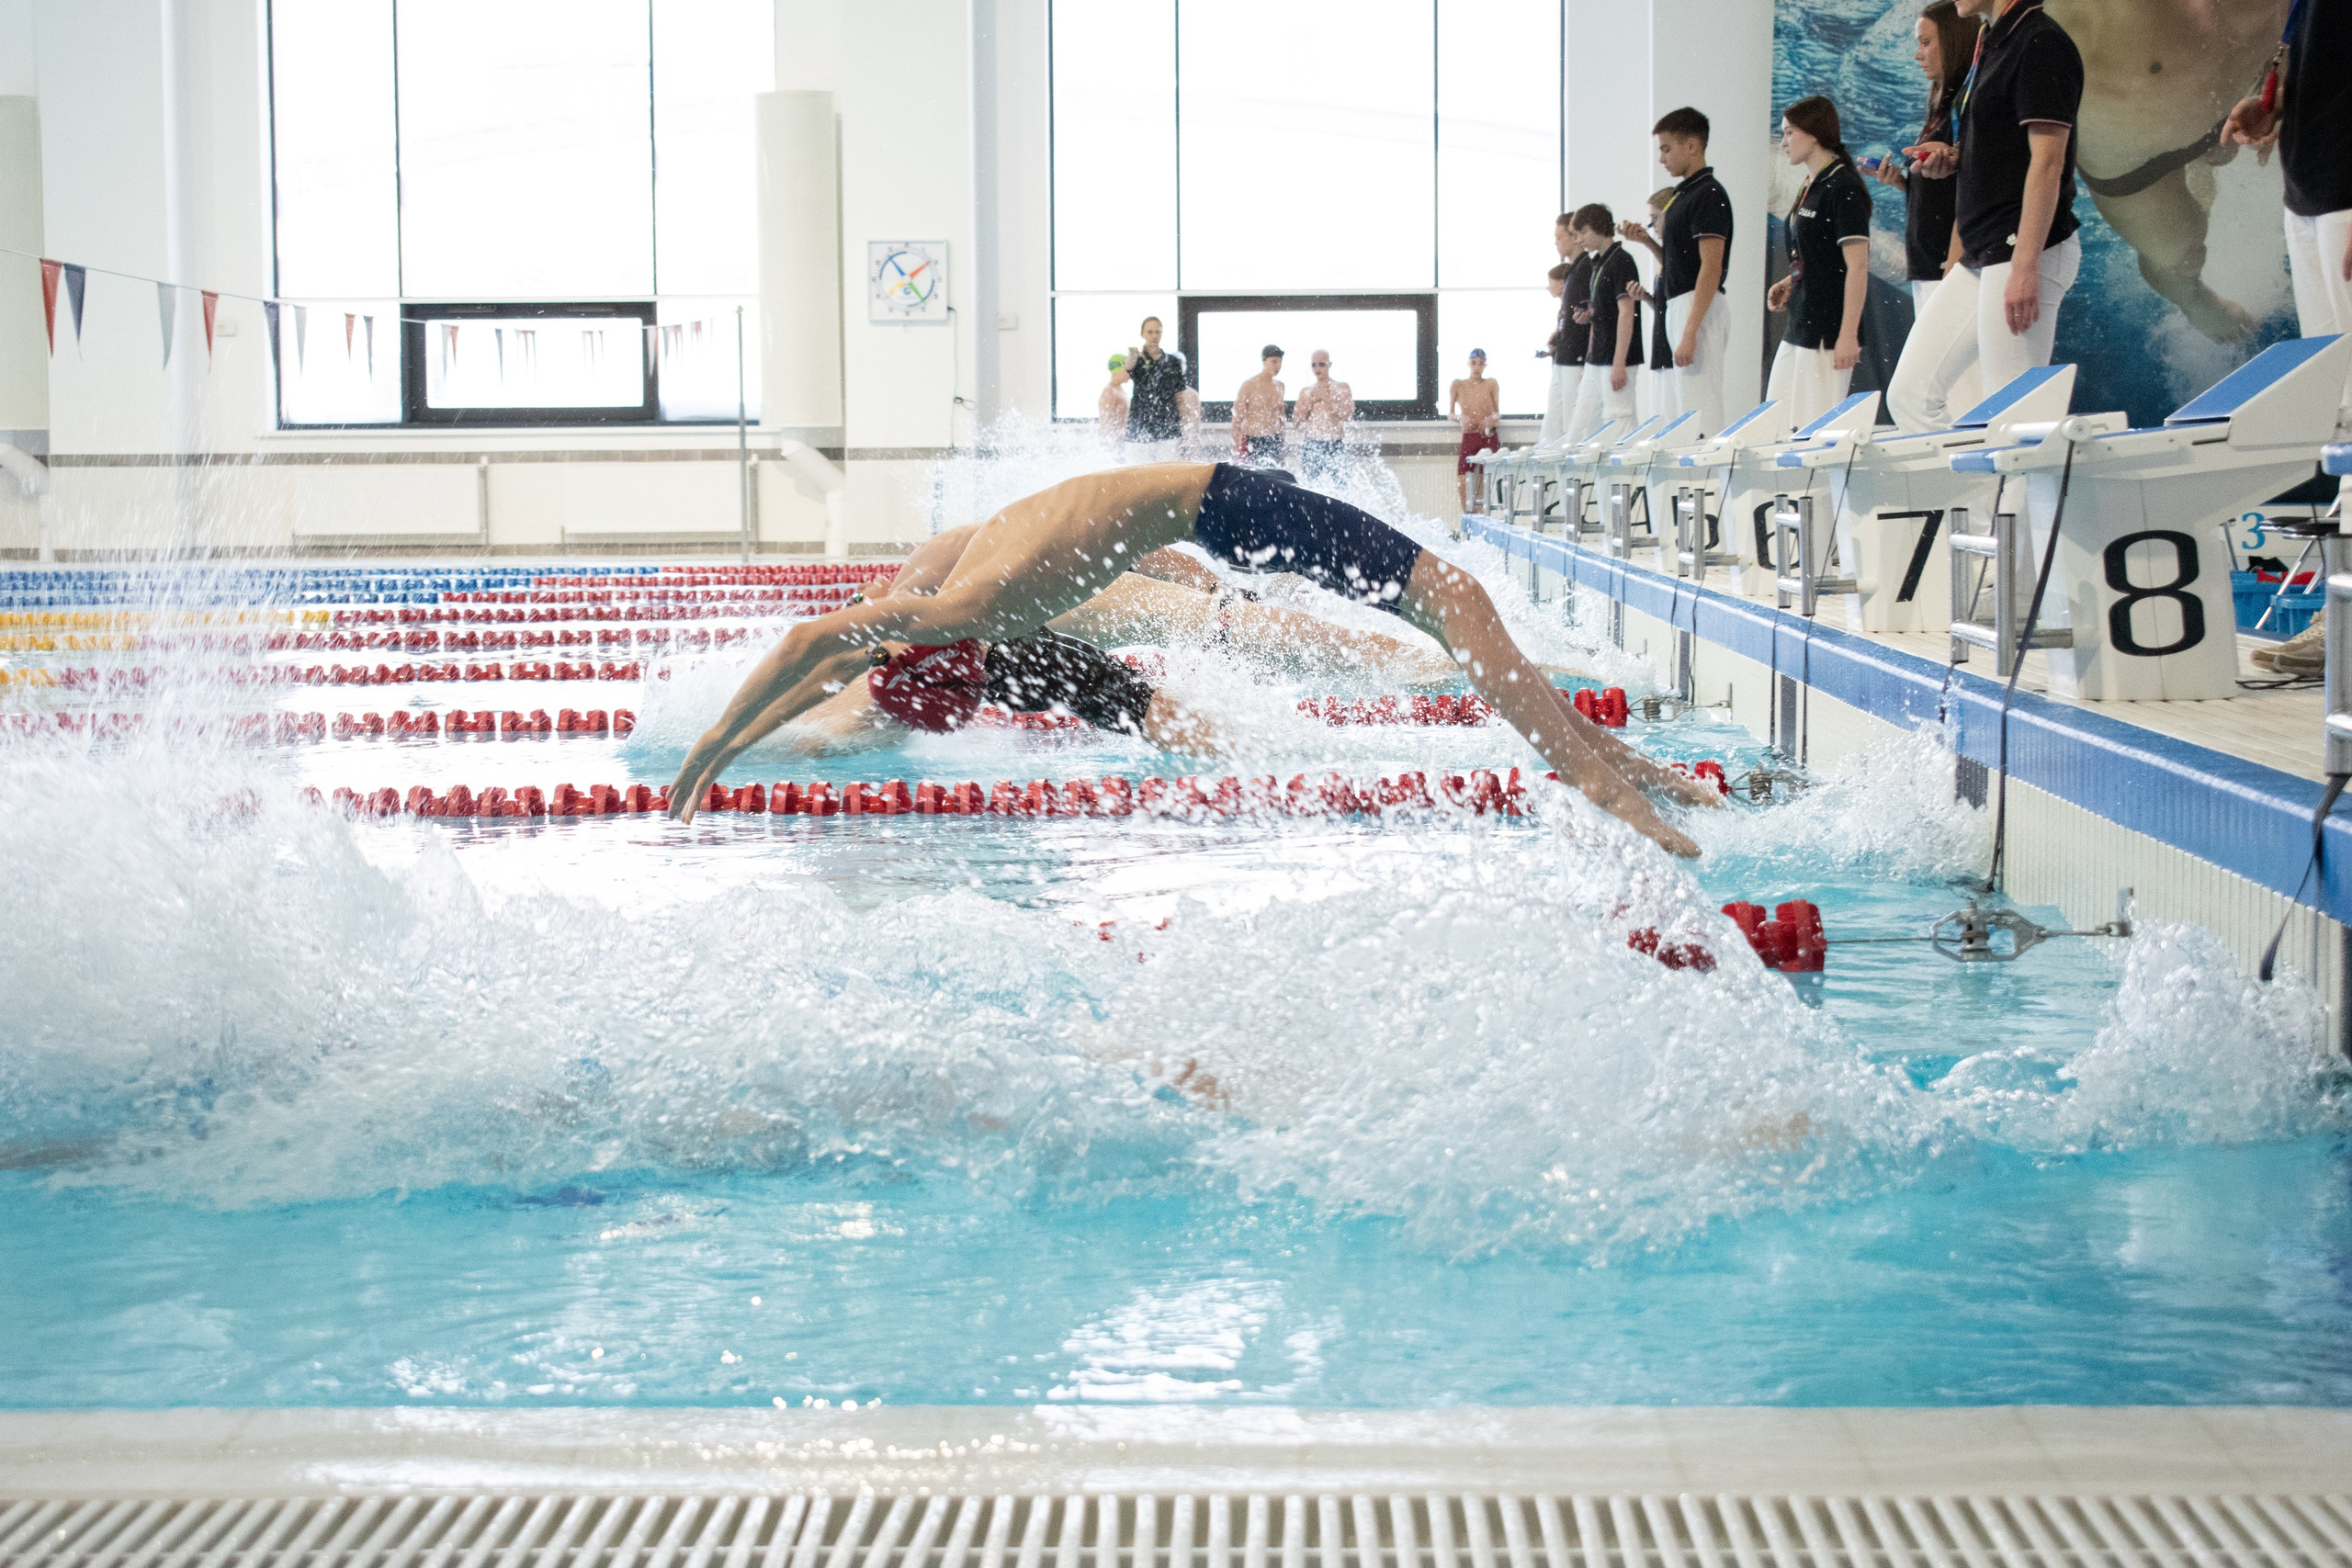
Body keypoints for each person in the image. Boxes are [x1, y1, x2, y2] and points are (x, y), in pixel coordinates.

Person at [668, 464, 1722, 855]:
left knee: (1457, 603)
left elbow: (816, 644)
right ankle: (1611, 764)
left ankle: (1593, 766)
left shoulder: (972, 598)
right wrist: (727, 741)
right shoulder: (962, 596)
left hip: (1221, 501)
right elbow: (824, 658)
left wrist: (712, 747)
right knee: (1455, 606)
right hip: (1209, 514)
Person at [1886, 0, 2086, 435]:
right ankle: (1976, 504)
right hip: (1982, 253)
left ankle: (2016, 504)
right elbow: (2006, 150)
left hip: (2022, 249)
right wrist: (1954, 160)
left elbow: (2049, 163)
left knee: (2017, 425)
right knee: (1910, 394)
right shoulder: (1991, 42)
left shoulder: (2040, 43)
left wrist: (2026, 266)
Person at [2225, 0, 2349, 675]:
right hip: (2310, 198)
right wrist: (2274, 107)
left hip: (2343, 206)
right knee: (2340, 421)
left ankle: (2346, 625)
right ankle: (2343, 617)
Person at [2054, 0, 2288, 344]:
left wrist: (2283, 85)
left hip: (2237, 97)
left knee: (2220, 159)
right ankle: (2192, 298)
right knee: (2179, 256)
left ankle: (2205, 162)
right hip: (2129, 156)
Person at [1765, 96, 1873, 429]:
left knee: (1815, 430)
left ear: (1813, 134)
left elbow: (1857, 266)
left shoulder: (1843, 188)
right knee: (1778, 422)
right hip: (1801, 321)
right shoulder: (1810, 184)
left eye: (1789, 133)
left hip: (1827, 331)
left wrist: (1847, 335)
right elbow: (1816, 254)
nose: (1783, 143)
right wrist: (1787, 283)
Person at [1650, 108, 1735, 438]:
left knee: (1701, 410)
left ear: (1692, 145)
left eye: (1666, 148)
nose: (1662, 158)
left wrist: (1690, 331)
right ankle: (1690, 488)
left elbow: (1711, 267)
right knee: (1682, 412)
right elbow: (1676, 261)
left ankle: (1708, 488)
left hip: (1698, 306)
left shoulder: (1708, 194)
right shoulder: (1683, 195)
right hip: (1679, 304)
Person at [1566, 204, 1643, 443]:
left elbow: (1626, 312)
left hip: (1615, 358)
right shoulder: (1599, 263)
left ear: (1597, 229)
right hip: (1597, 357)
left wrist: (1619, 363)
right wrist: (1590, 315)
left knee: (1620, 421)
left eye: (1582, 233)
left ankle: (1629, 479)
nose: (1578, 241)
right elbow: (1607, 310)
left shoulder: (1622, 261)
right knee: (1581, 425)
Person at [1621, 190, 1679, 424]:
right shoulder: (1666, 259)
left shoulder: (1678, 253)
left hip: (1675, 347)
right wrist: (1645, 297)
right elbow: (1663, 306)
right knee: (1665, 416)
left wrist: (1646, 240)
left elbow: (1673, 265)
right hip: (1663, 346)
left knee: (1676, 417)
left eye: (1655, 218)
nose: (1652, 225)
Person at [1541, 214, 1591, 442]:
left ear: (1573, 235)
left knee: (1573, 424)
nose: (1555, 242)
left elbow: (1591, 316)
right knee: (1555, 420)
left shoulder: (1586, 269)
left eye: (1558, 236)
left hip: (1577, 360)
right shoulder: (1572, 270)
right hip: (1564, 357)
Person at [1124, 316, 1190, 460]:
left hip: (1168, 426)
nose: (1154, 336)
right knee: (1137, 473)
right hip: (1140, 425)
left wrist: (1185, 427)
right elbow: (1127, 367)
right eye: (1150, 332)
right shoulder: (1137, 360)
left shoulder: (1172, 362)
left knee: (1167, 474)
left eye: (1158, 332)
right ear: (1142, 334)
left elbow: (1180, 395)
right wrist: (1132, 355)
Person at [1449, 351, 1502, 515]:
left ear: (1485, 365)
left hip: (1488, 435)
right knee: (1463, 478)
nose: (1477, 366)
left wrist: (1491, 419)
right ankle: (1468, 515)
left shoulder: (1491, 383)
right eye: (1474, 362)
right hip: (1469, 435)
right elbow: (1450, 413)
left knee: (1485, 479)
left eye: (1480, 363)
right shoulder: (1459, 385)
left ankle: (1482, 518)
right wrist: (1460, 418)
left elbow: (1497, 413)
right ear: (1468, 363)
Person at [1292, 350, 1355, 479]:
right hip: (1312, 444)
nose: (1317, 368)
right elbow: (1296, 421)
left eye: (1321, 364)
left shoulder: (1342, 388)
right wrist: (1309, 403)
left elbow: (1348, 415)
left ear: (1329, 364)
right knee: (1310, 487)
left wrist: (1327, 399)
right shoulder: (1306, 391)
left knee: (1340, 486)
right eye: (1313, 365)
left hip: (1335, 443)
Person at [1231, 346, 1288, 467]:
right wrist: (1236, 446)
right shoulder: (1249, 385)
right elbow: (1237, 418)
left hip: (1273, 440)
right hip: (1253, 439)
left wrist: (1282, 445)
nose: (1278, 366)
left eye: (1280, 362)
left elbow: (1281, 417)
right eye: (1274, 361)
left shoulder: (1280, 386)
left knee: (1274, 479)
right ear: (1264, 361)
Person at [1098, 354, 1131, 445]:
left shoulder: (1120, 390)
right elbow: (1106, 422)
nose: (1130, 373)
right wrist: (1110, 446)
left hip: (1121, 441)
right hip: (1113, 442)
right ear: (1118, 370)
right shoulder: (1109, 392)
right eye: (1127, 370)